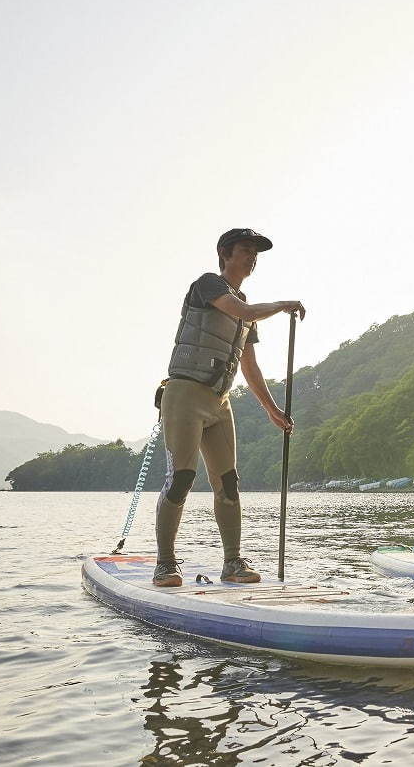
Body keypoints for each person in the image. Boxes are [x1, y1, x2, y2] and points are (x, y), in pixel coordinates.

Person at [153, 228, 305, 588]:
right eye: (245, 250)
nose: (252, 257)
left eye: (256, 253)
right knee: (182, 478)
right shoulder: (207, 284)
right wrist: (283, 305)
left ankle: (233, 563)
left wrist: (271, 409)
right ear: (225, 253)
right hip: (185, 394)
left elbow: (249, 366)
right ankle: (165, 563)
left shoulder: (246, 303)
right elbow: (245, 310)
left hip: (220, 402)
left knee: (229, 483)